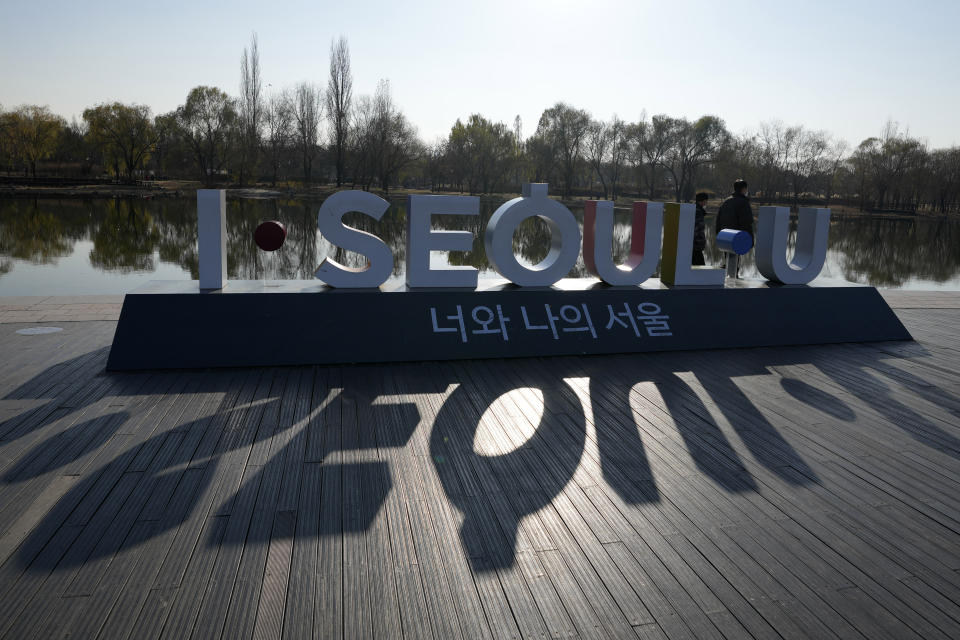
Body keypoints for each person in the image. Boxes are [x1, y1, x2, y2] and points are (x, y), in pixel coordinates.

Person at [715, 179, 754, 275]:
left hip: (725, 237)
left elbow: (718, 220)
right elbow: (746, 222)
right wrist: (751, 239)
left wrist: (718, 235)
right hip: (738, 237)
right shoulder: (743, 203)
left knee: (728, 261)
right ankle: (732, 283)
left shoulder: (726, 201)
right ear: (744, 189)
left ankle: (726, 282)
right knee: (734, 265)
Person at [693, 192, 708, 265]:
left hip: (693, 245)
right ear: (702, 201)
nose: (706, 203)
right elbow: (698, 229)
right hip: (696, 246)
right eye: (706, 201)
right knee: (700, 267)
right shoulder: (698, 212)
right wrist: (700, 243)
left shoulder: (694, 209)